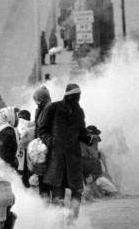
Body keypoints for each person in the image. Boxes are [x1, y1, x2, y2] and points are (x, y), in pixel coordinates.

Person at [37, 83, 96, 220]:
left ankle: (73, 221)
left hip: (74, 158)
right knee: (58, 192)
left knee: (77, 190)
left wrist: (90, 139)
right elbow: (42, 129)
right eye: (75, 96)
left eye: (78, 97)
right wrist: (51, 141)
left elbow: (81, 132)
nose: (77, 99)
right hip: (57, 158)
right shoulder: (54, 108)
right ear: (69, 96)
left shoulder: (79, 112)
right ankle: (57, 224)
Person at [15, 109, 35, 188]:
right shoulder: (33, 127)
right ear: (29, 118)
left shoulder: (14, 126)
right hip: (28, 160)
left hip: (17, 158)